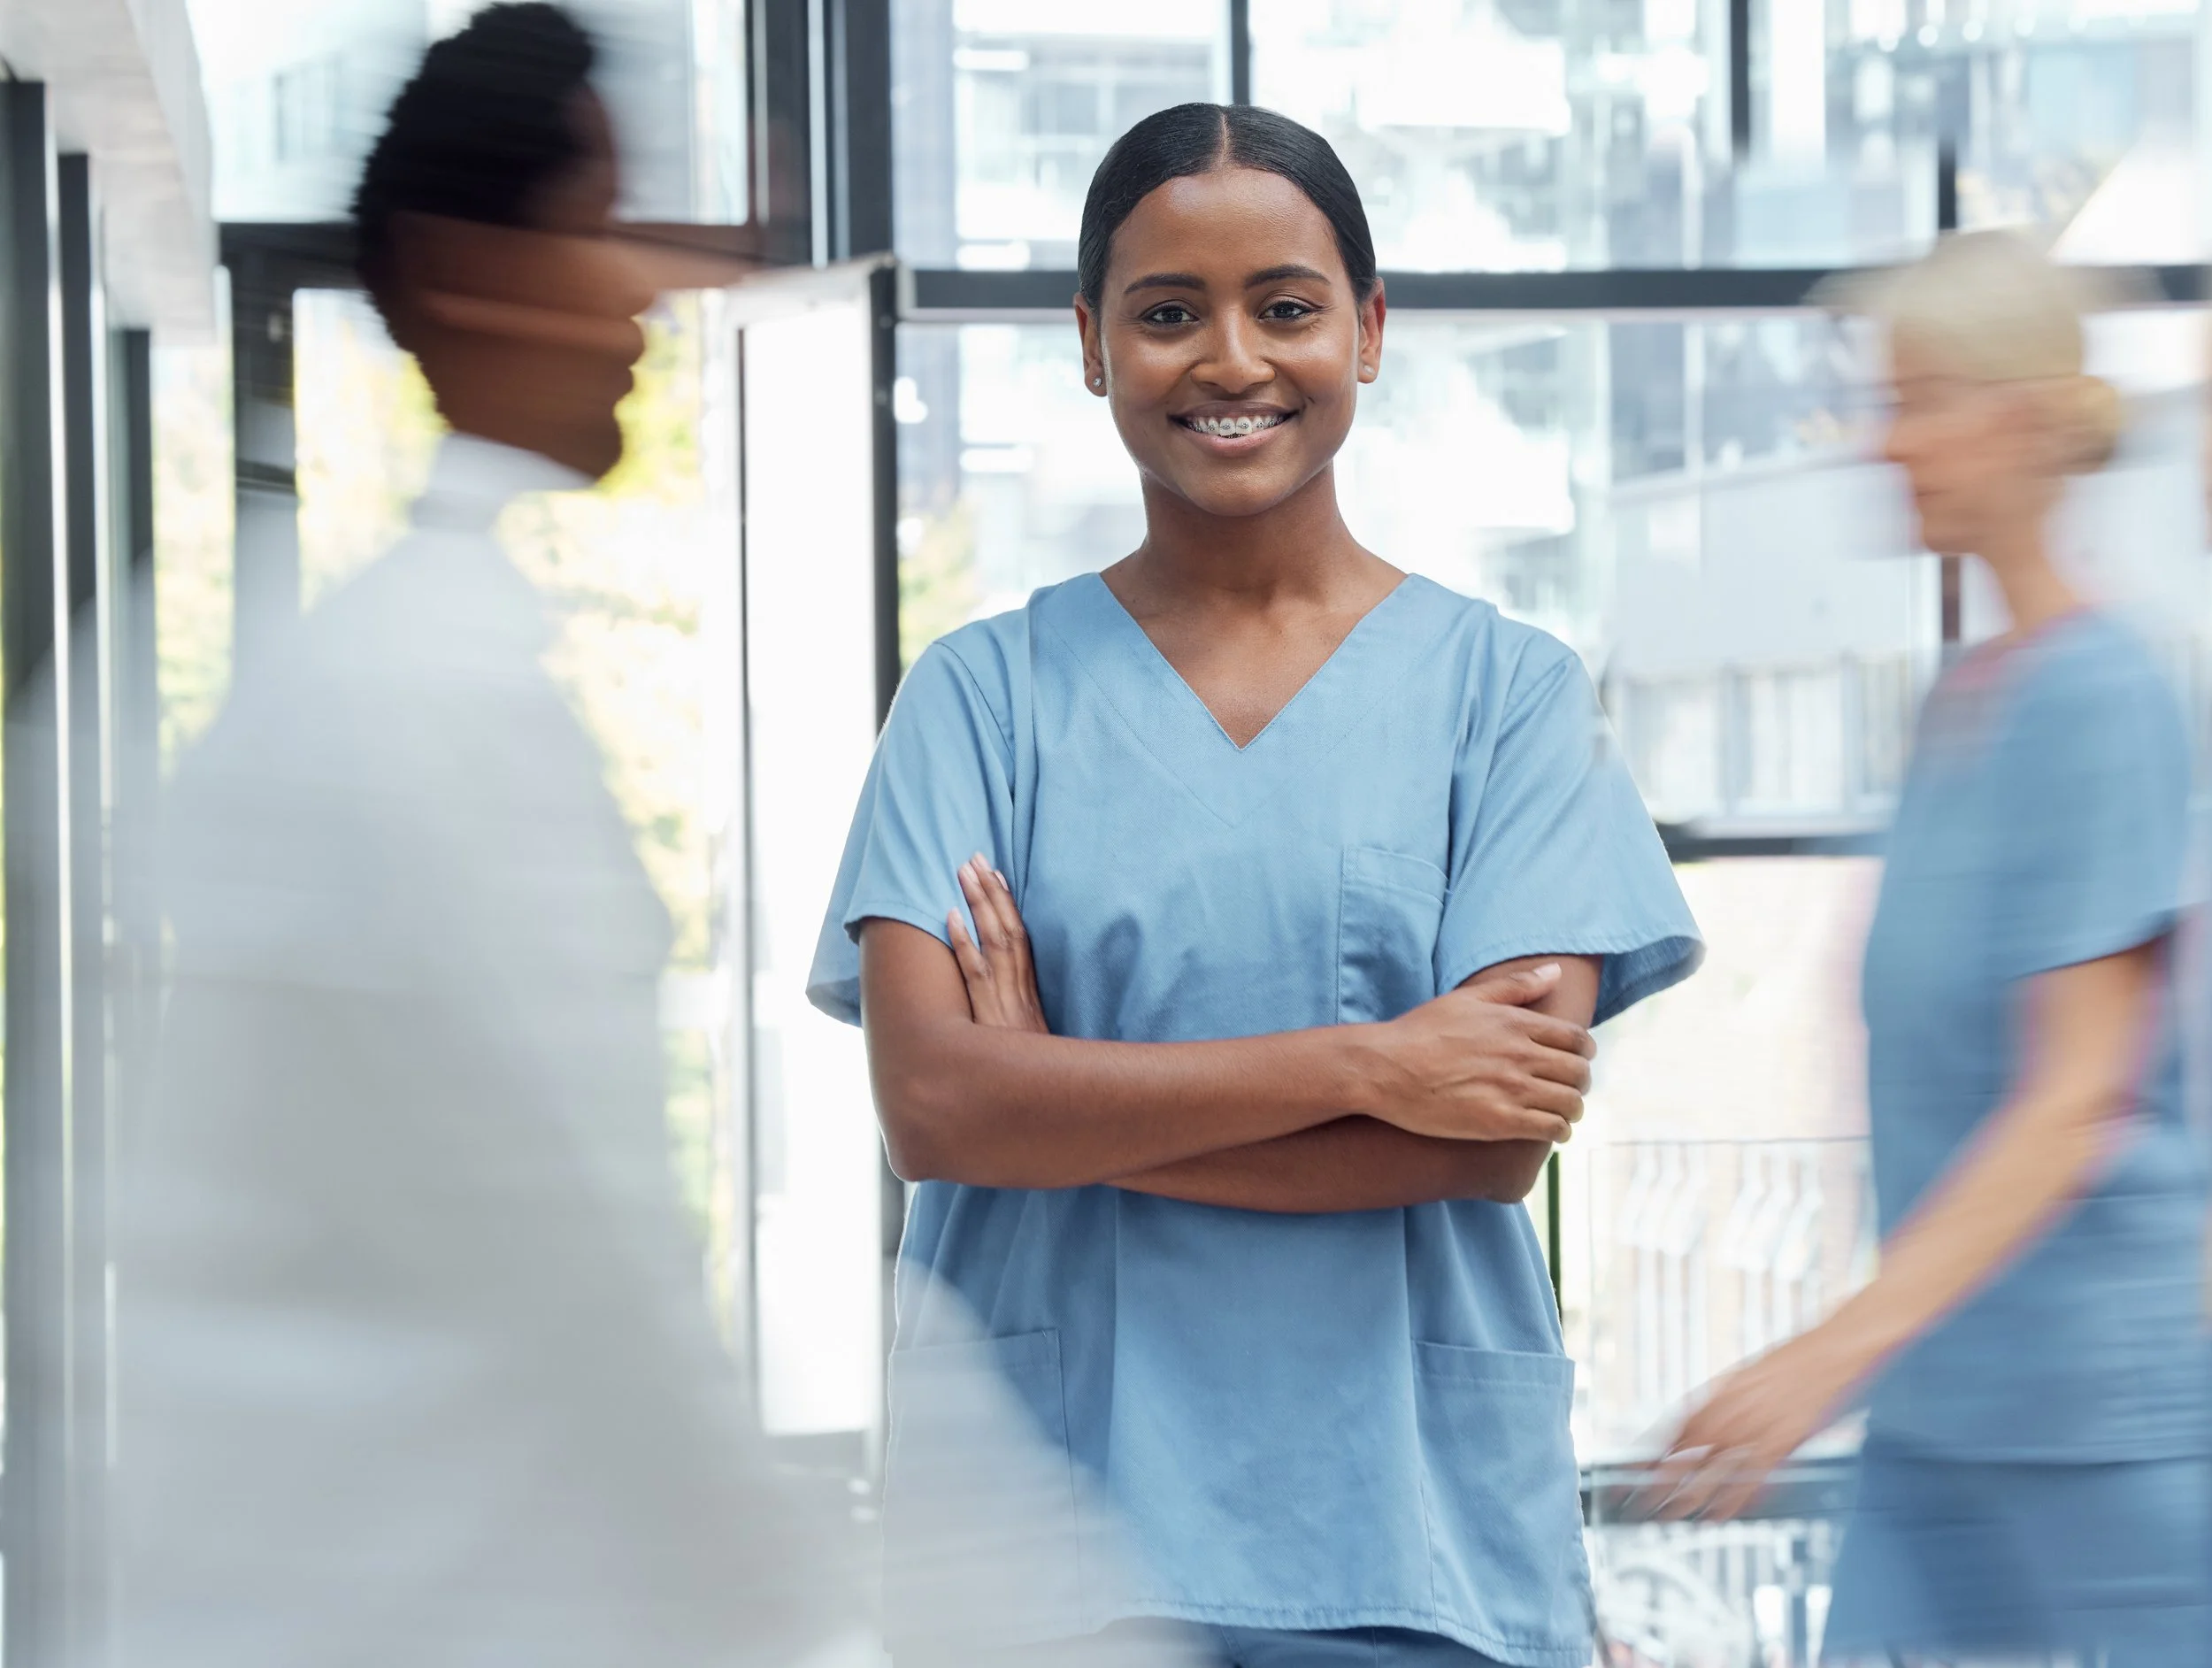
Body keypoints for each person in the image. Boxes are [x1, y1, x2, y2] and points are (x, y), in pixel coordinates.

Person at [809, 103, 1701, 1668]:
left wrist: (1062, 1107)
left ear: (1368, 328)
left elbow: (1488, 1146)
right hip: (1042, 1555)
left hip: (1405, 1546)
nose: (1231, 360)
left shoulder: (1509, 700)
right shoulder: (978, 697)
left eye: (1285, 306)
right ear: (1092, 344)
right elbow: (938, 1113)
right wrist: (1375, 1066)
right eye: (1168, 313)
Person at [116, 8, 849, 1665]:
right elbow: (604, 1282)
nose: (654, 293)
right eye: (600, 222)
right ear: (467, 268)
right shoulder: (424, 706)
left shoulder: (405, 665)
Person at [1647, 231, 2212, 1663]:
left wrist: (1826, 1352)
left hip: (2094, 1426)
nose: (1879, 443)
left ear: (2016, 418)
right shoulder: (1962, 700)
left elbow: (2074, 1100)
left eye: (1915, 402)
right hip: (1939, 1412)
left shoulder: (2105, 696)